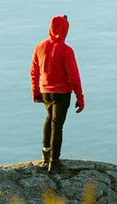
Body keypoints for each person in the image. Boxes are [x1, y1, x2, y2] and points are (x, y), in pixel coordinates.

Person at [30, 14, 85, 175]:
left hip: (46, 92)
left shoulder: (40, 46)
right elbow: (73, 76)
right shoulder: (66, 50)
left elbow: (34, 72)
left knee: (49, 119)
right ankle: (54, 163)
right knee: (57, 126)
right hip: (62, 94)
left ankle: (45, 156)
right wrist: (80, 97)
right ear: (65, 30)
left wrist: (36, 91)